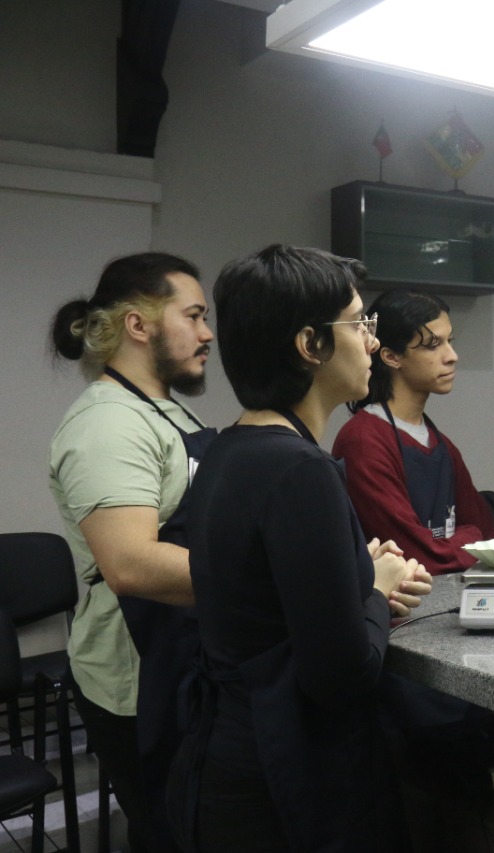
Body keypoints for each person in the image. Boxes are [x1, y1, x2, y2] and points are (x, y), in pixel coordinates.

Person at [172, 245, 428, 851]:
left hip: (230, 755)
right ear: (310, 344)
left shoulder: (229, 450)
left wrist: (357, 577)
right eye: (360, 324)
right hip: (283, 777)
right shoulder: (300, 471)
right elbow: (341, 675)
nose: (372, 342)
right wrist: (375, 588)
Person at [48, 252, 215, 853]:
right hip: (137, 680)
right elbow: (131, 565)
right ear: (138, 325)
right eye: (193, 316)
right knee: (169, 831)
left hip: (183, 659)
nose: (207, 333)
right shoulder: (107, 424)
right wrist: (275, 578)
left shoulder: (165, 408)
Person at [333, 289, 494, 574]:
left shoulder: (442, 445)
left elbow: (490, 540)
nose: (452, 356)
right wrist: (469, 538)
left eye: (450, 341)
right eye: (433, 345)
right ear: (391, 356)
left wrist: (467, 540)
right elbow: (415, 555)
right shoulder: (363, 441)